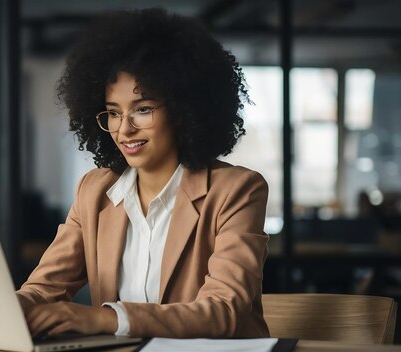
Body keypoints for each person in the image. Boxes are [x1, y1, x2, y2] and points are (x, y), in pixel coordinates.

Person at [16, 8, 270, 339]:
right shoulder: (94, 191)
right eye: (113, 113)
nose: (125, 129)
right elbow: (43, 288)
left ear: (182, 110)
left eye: (143, 109)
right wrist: (2, 309)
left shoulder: (237, 190)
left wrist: (105, 320)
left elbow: (222, 311)